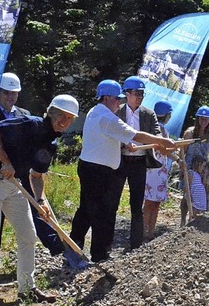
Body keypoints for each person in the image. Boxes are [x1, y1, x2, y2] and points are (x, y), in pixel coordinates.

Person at [0, 94, 79, 304]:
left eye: (70, 119)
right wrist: (5, 161)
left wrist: (40, 201)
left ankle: (27, 289)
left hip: (16, 186)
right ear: (52, 113)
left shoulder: (51, 144)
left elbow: (36, 176)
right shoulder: (29, 123)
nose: (65, 123)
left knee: (28, 236)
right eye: (63, 117)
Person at [70, 80, 176, 263]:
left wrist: (130, 142)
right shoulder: (107, 117)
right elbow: (136, 135)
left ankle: (75, 247)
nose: (119, 103)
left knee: (87, 210)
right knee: (100, 213)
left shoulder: (96, 112)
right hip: (97, 170)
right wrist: (162, 142)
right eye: (117, 99)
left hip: (93, 167)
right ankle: (97, 254)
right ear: (107, 98)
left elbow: (114, 137)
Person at [0, 72, 30, 273]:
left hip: (17, 176)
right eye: (6, 93)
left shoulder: (24, 115)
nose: (11, 97)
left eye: (14, 93)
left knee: (26, 222)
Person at [116, 76, 161, 249]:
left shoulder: (148, 114)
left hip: (139, 162)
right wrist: (124, 143)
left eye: (141, 93)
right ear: (126, 94)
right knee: (113, 201)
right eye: (136, 93)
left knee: (137, 204)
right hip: (120, 161)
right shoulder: (117, 112)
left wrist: (158, 143)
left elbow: (157, 134)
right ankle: (106, 243)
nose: (139, 96)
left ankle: (135, 244)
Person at [143, 101, 181, 241]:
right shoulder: (161, 130)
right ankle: (148, 232)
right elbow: (163, 149)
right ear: (167, 115)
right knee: (153, 203)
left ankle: (146, 231)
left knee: (150, 202)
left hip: (152, 170)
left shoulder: (151, 127)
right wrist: (177, 155)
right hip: (157, 170)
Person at [180, 155, 207, 225]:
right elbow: (187, 185)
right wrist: (188, 195)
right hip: (193, 196)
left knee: (199, 212)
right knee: (193, 211)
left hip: (199, 197)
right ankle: (188, 222)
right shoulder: (191, 173)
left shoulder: (200, 175)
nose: (204, 169)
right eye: (203, 166)